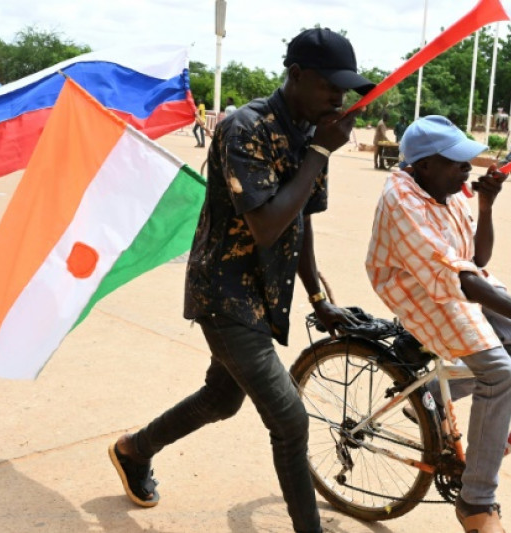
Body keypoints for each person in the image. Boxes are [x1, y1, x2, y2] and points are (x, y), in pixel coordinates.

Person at [108, 28, 375, 533]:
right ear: (296, 75)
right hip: (225, 293)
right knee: (290, 422)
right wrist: (319, 153)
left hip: (265, 293)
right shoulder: (244, 127)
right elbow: (268, 224)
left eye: (346, 88)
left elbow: (302, 218)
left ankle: (132, 450)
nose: (339, 98)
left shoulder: (307, 127)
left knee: (221, 399)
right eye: (329, 85)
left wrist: (317, 296)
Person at [365, 116, 511, 533]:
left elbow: (477, 261)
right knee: (500, 374)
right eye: (458, 163)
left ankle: (426, 398)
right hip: (414, 287)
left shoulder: (447, 187)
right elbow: (458, 280)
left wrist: (486, 206)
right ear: (424, 165)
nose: (469, 169)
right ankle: (476, 500)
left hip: (454, 277)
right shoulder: (402, 200)